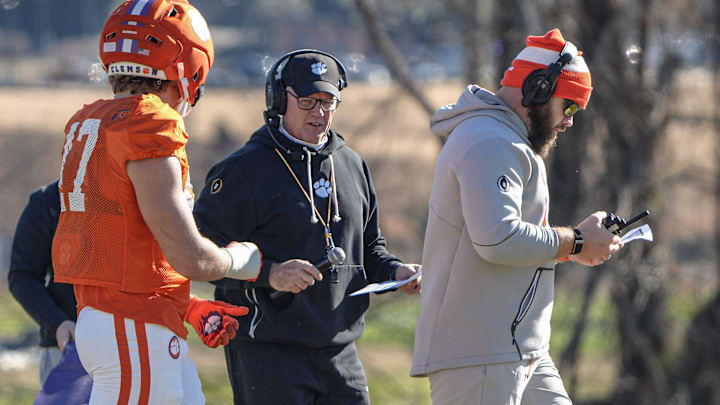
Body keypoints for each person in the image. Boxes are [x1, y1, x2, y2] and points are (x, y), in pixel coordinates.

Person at [51, 1, 263, 403]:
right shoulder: (150, 123)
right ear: (187, 69)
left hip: (125, 322)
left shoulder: (91, 121)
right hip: (132, 327)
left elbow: (127, 248)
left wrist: (187, 303)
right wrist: (239, 260)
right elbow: (190, 258)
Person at [192, 49, 421, 405]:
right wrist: (269, 273)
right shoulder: (241, 171)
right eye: (308, 101)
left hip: (340, 352)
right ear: (281, 100)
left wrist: (396, 271)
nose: (319, 112)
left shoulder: (352, 164)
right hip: (269, 352)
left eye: (329, 102)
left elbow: (370, 247)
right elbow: (200, 253)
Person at [410, 28, 624, 404]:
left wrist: (577, 246)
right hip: (481, 354)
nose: (570, 121)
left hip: (516, 349)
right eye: (569, 105)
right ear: (538, 88)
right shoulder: (491, 140)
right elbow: (498, 238)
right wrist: (576, 241)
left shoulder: (501, 140)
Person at [7, 181, 77, 385]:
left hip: (130, 345)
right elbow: (22, 275)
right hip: (67, 347)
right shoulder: (48, 201)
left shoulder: (138, 194)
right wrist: (57, 322)